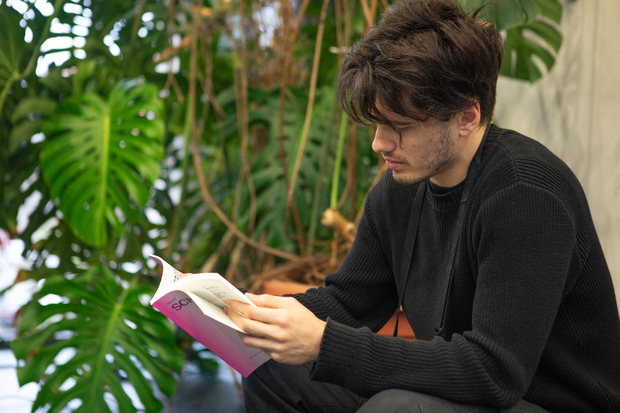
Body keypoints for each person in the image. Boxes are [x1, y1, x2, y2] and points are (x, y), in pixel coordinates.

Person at [224, 0, 620, 411]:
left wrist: (323, 343)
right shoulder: (400, 191)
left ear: (467, 117)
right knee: (271, 368)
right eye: (377, 124)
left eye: (400, 127)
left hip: (547, 402)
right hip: (470, 392)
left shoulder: (526, 194)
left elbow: (494, 372)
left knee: (398, 407)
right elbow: (349, 303)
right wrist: (248, 314)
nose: (380, 144)